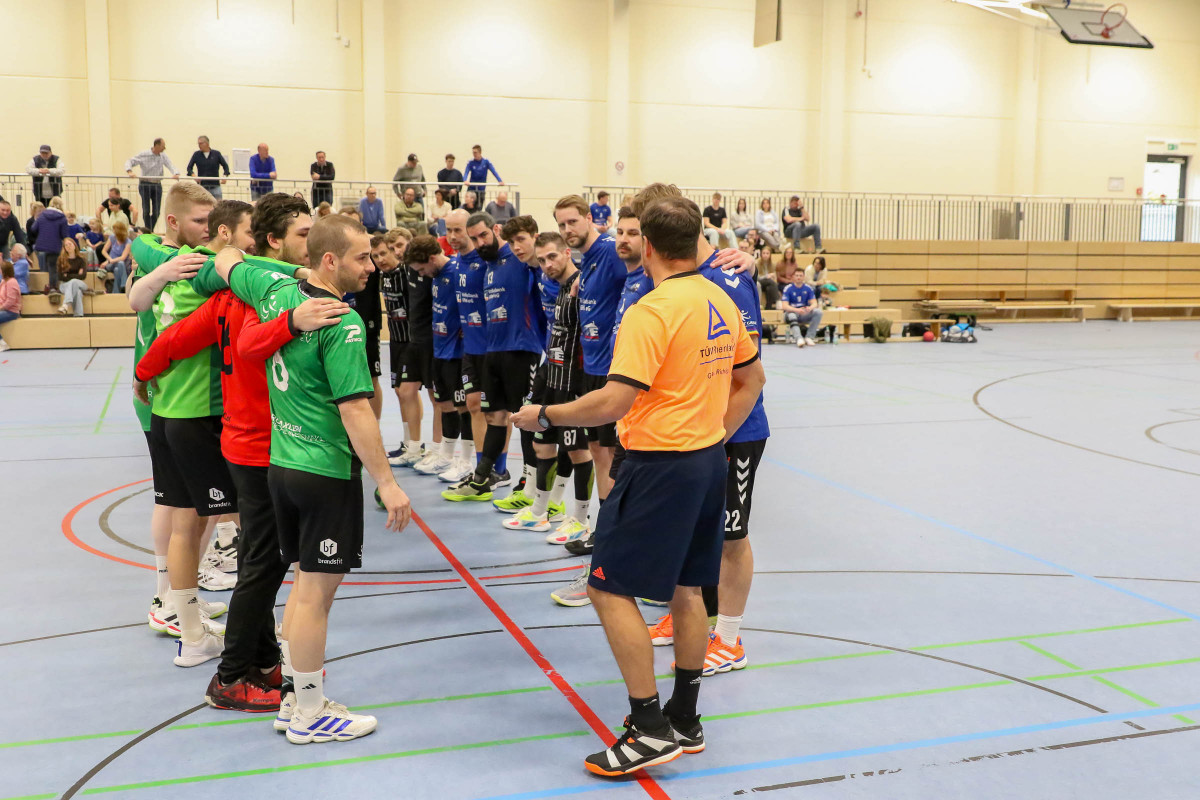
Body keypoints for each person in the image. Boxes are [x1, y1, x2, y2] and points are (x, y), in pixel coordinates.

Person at [512, 195, 765, 777]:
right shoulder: (718, 298)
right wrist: (713, 434)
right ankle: (686, 718)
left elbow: (614, 400)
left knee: (606, 587)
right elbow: (752, 379)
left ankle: (648, 727)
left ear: (648, 245)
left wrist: (545, 415)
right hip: (705, 462)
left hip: (659, 466)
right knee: (688, 588)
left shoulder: (651, 310)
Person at [136, 199, 347, 713]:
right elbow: (246, 342)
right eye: (303, 235)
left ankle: (264, 657)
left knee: (262, 557)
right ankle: (232, 676)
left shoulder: (235, 294)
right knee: (263, 565)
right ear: (274, 241)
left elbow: (177, 337)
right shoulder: (269, 300)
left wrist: (145, 372)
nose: (311, 246)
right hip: (262, 448)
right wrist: (292, 318)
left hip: (247, 442)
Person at [214, 214, 412, 744]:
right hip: (325, 472)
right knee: (314, 597)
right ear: (329, 260)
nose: (371, 266)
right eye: (361, 258)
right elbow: (356, 409)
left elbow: (227, 260)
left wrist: (279, 266)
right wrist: (387, 481)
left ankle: (296, 702)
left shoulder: (276, 292)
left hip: (281, 466)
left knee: (303, 588)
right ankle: (308, 712)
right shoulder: (342, 322)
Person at [442, 213, 545, 502]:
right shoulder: (488, 264)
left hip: (522, 348)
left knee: (524, 417)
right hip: (493, 351)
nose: (479, 243)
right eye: (474, 238)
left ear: (496, 229)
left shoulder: (521, 258)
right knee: (494, 416)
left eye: (483, 236)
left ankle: (529, 484)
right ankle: (482, 479)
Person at [504, 231, 593, 544]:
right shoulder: (558, 286)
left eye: (552, 257)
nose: (547, 264)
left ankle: (581, 519)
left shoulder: (583, 285)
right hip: (551, 374)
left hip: (574, 381)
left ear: (567, 253)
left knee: (578, 451)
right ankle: (541, 510)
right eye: (541, 260)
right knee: (541, 444)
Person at [404, 235, 476, 481]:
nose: (421, 274)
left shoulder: (456, 272)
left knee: (463, 407)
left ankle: (465, 461)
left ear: (433, 258)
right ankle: (445, 456)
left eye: (422, 269)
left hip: (457, 352)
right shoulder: (435, 276)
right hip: (439, 348)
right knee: (444, 404)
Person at [125, 138, 180, 231]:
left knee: (156, 211)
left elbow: (170, 165)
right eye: (163, 146)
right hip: (145, 184)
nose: (164, 148)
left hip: (157, 184)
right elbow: (130, 161)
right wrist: (129, 171)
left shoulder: (163, 155)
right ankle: (148, 231)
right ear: (156, 145)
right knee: (146, 210)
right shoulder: (144, 154)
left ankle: (148, 230)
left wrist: (176, 173)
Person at [32, 198, 69, 291]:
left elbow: (33, 228)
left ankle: (41, 288)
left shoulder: (42, 215)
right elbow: (64, 235)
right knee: (53, 268)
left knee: (43, 269)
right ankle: (53, 288)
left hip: (40, 246)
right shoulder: (62, 218)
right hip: (54, 247)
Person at [781, 268, 822, 347]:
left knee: (818, 312)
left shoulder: (808, 288)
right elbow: (784, 306)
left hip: (803, 313)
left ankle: (809, 337)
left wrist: (810, 308)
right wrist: (797, 310)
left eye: (800, 275)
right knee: (792, 315)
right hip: (791, 313)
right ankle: (799, 338)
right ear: (793, 277)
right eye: (797, 275)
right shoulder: (788, 288)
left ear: (804, 277)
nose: (798, 277)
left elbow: (814, 303)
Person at [56, 238, 90, 315]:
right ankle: (78, 315)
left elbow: (83, 276)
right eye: (66, 245)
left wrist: (67, 275)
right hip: (64, 285)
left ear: (74, 245)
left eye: (70, 244)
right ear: (64, 248)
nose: (68, 246)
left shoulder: (81, 259)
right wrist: (77, 275)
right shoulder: (61, 260)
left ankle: (66, 304)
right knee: (77, 292)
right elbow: (61, 277)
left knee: (74, 282)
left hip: (80, 283)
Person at [102, 220, 134, 292]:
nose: (113, 231)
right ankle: (124, 284)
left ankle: (115, 292)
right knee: (120, 264)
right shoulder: (112, 238)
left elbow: (123, 257)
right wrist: (109, 259)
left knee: (117, 270)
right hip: (110, 264)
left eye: (114, 229)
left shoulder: (128, 242)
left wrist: (113, 260)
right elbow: (103, 251)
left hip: (119, 264)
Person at [0, 260, 19, 351]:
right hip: (3, 309)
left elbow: (10, 302)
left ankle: (2, 343)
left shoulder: (12, 282)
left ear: (4, 271)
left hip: (11, 311)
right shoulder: (3, 281)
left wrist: (0, 308)